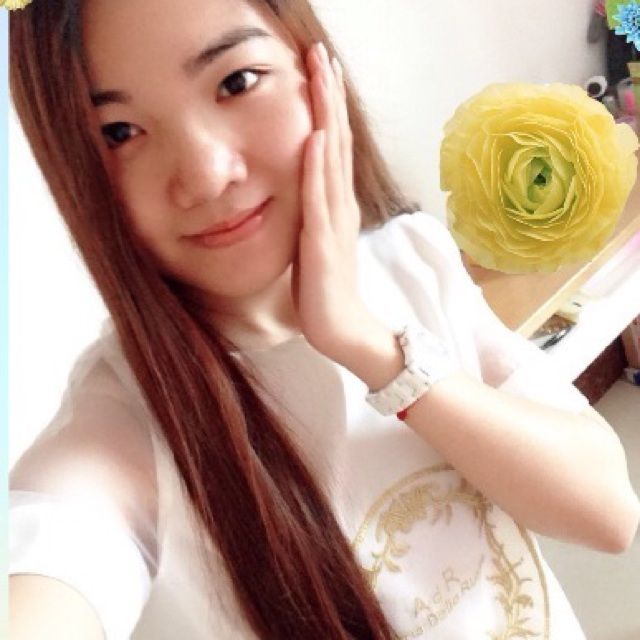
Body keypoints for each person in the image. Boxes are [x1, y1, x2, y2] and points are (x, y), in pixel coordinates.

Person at [8, 0, 640, 638]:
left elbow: (608, 512)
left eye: (236, 82)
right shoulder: (124, 420)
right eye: (119, 132)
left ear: (316, 72)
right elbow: (53, 568)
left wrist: (369, 346)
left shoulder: (411, 259)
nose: (206, 175)